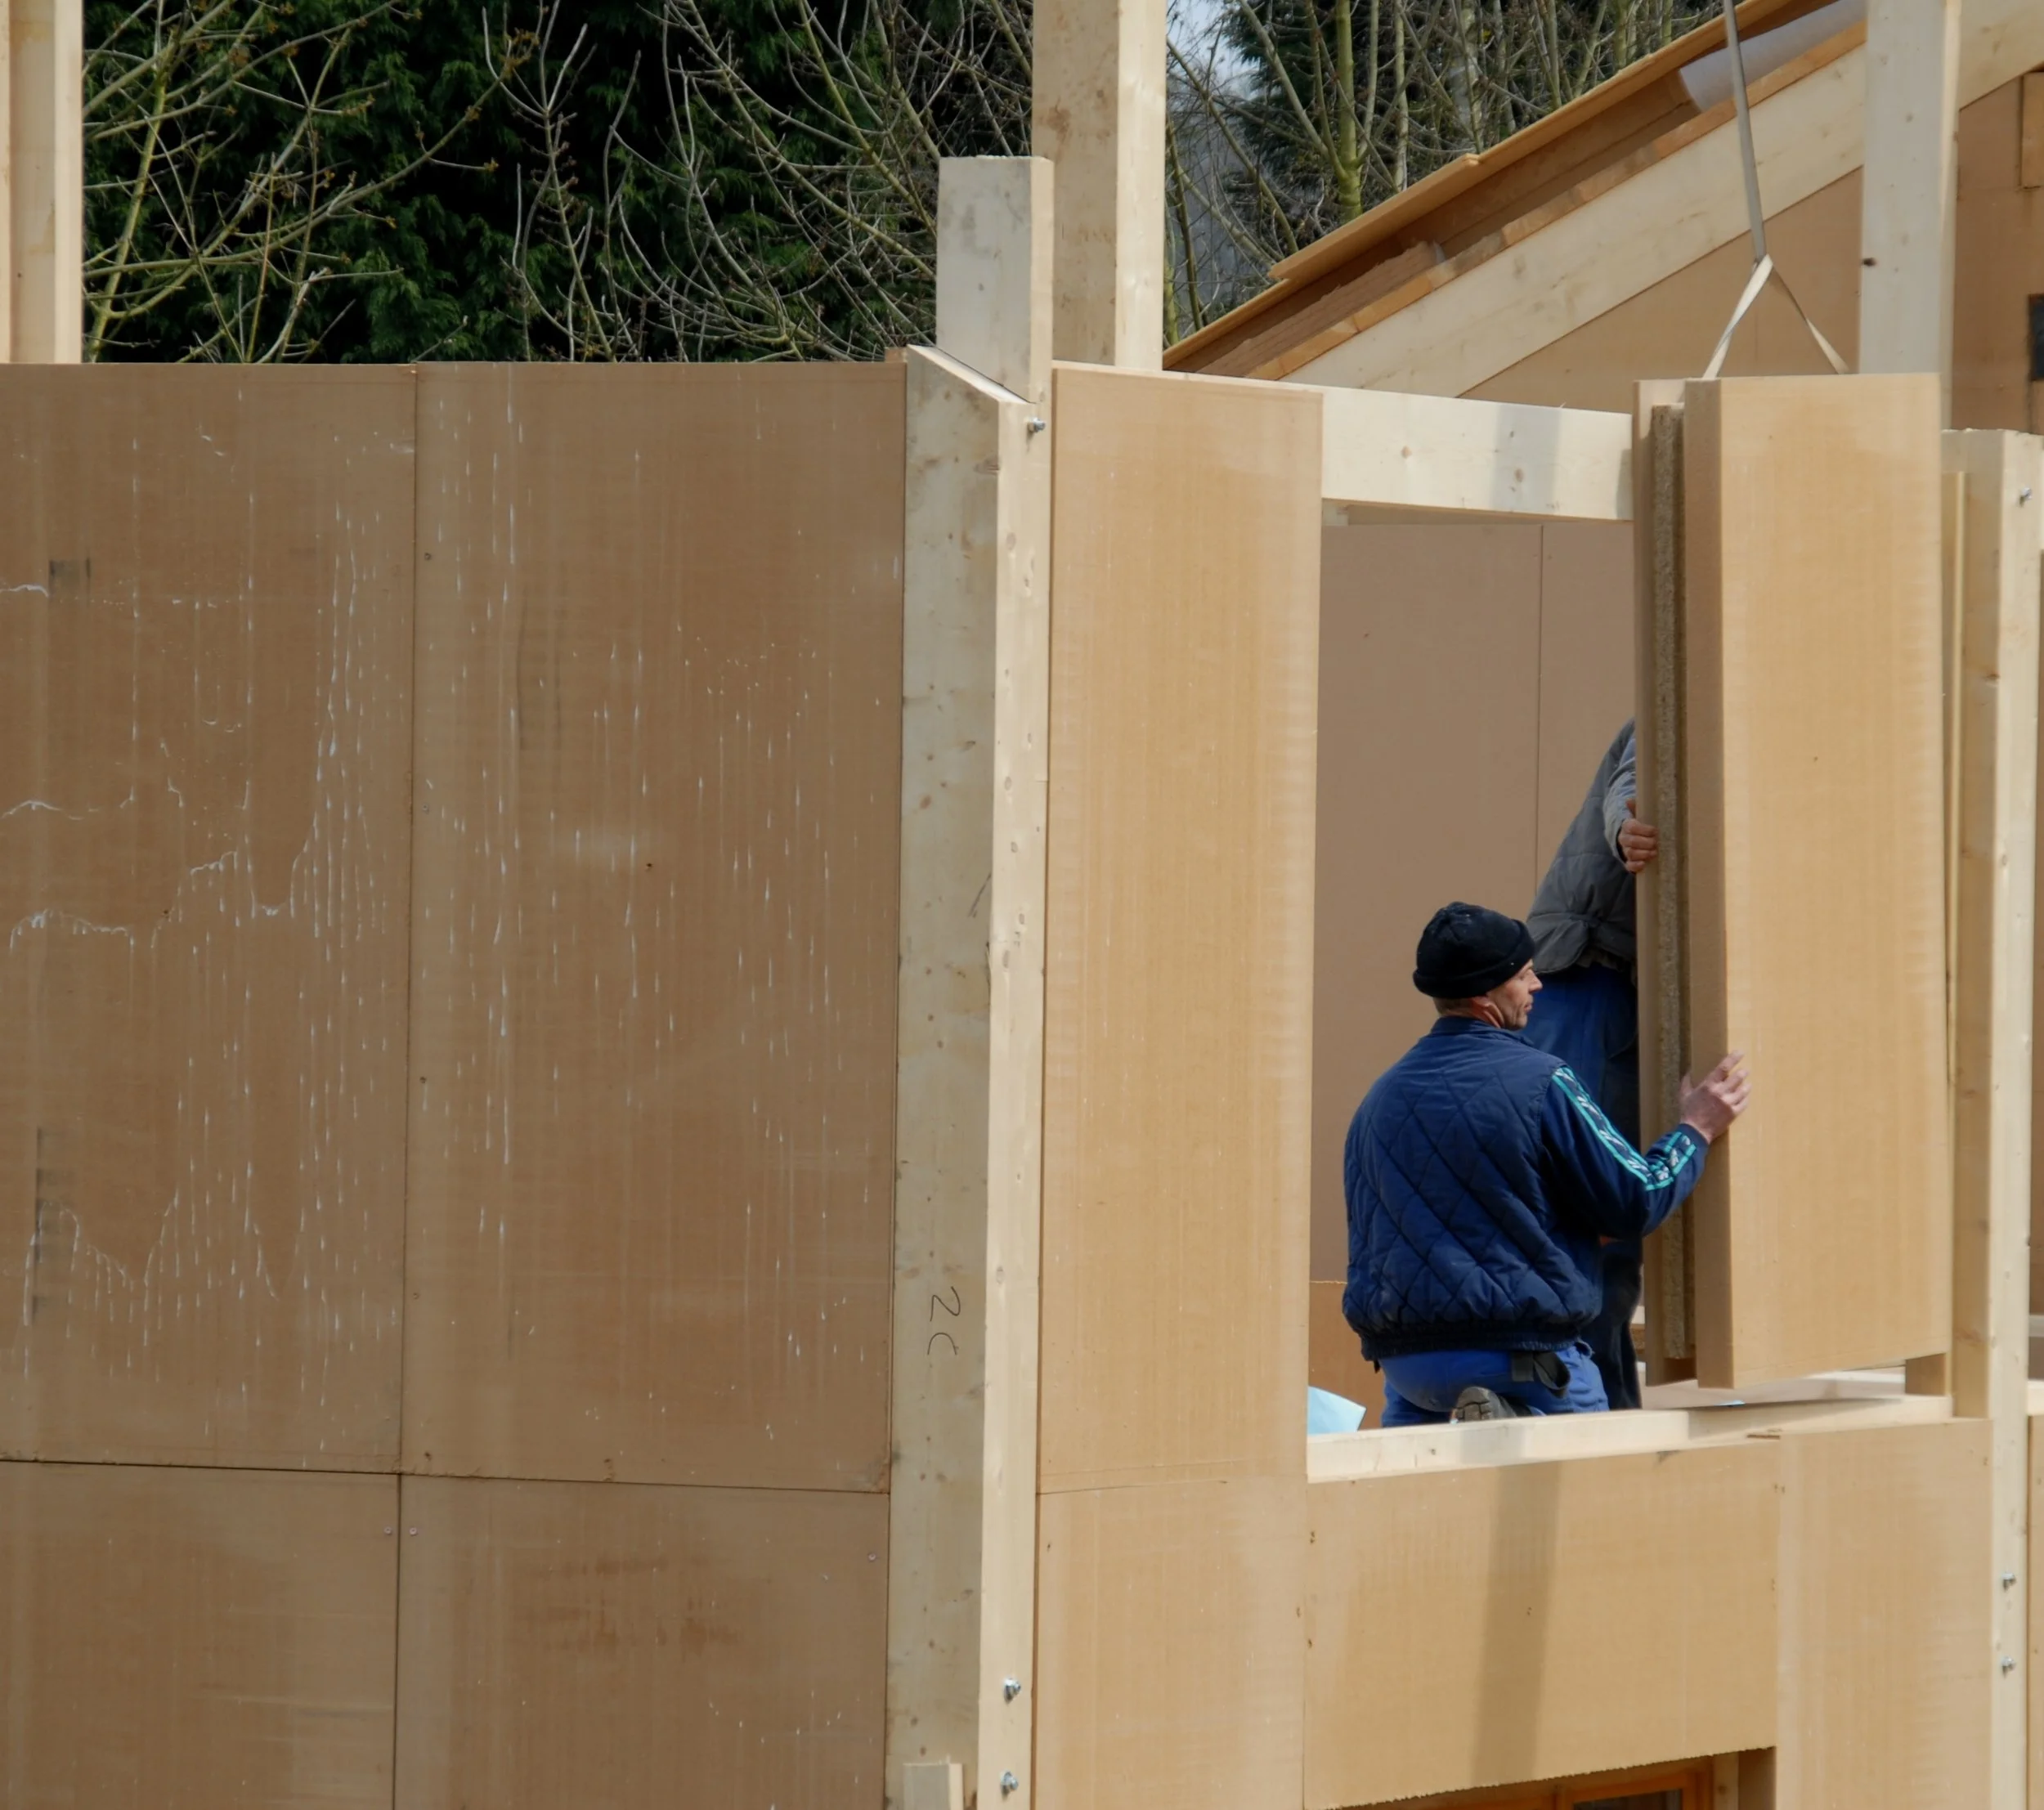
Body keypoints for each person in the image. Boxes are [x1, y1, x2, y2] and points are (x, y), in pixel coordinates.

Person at [1342, 901, 1747, 1426]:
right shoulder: (1541, 1080)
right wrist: (1697, 1128)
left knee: (1424, 1501)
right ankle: (1509, 1418)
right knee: (1589, 1497)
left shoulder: (1379, 1099)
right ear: (1486, 992)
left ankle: (1483, 1423)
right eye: (1525, 975)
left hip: (1407, 1368)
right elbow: (1635, 1199)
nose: (1537, 987)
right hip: (1519, 1358)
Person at [1521, 722, 1658, 1409]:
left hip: (1613, 989)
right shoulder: (1681, 706)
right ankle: (1592, 1409)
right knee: (1591, 1215)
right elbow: (1633, 787)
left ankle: (1601, 1407)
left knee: (1605, 1234)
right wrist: (1627, 833)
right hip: (1589, 972)